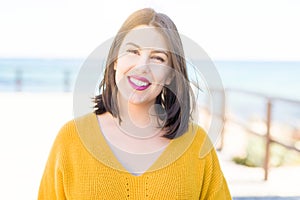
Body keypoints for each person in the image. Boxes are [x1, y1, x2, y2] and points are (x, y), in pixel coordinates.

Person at [38, 8, 231, 199]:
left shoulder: (196, 145)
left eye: (158, 58)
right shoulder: (70, 139)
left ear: (171, 75)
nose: (142, 66)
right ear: (115, 60)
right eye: (133, 51)